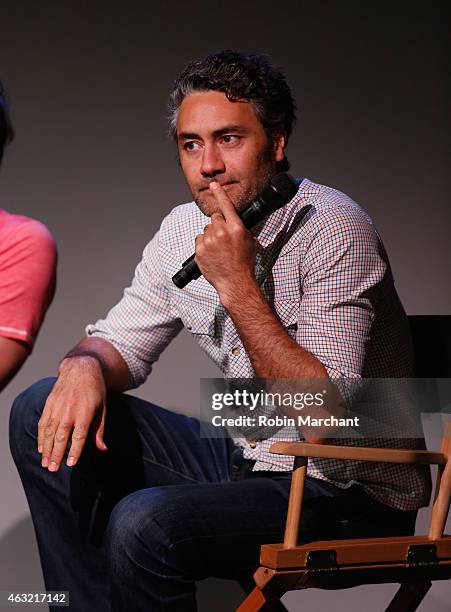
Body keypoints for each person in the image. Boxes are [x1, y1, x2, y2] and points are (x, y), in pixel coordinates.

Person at [10, 51, 430, 611]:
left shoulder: (334, 226)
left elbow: (326, 423)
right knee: (39, 406)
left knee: (143, 524)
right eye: (191, 144)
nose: (208, 164)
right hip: (249, 455)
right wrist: (86, 364)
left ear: (276, 143)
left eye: (229, 139)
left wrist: (237, 286)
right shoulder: (183, 228)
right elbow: (120, 341)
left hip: (350, 485)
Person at [0, 82, 57, 392]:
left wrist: (86, 366)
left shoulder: (20, 241)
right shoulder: (175, 233)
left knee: (36, 404)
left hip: (230, 414)